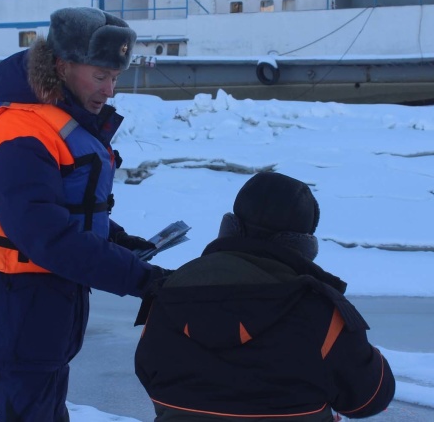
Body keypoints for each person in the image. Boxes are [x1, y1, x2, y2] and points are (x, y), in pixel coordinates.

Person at [0, 7, 172, 422]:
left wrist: (116, 239)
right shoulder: (19, 134)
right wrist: (141, 279)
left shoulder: (54, 122)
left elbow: (63, 209)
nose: (110, 90)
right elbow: (45, 236)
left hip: (42, 307)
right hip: (16, 311)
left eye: (115, 77)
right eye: (100, 75)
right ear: (62, 66)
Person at [135, 172, 395, 421]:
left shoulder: (169, 293)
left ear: (231, 226)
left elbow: (147, 371)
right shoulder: (321, 311)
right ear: (303, 243)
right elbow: (369, 397)